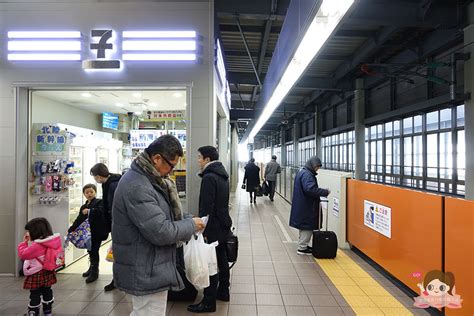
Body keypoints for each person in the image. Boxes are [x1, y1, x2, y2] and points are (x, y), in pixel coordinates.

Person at [112, 135, 205, 316]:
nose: (171, 172)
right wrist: (190, 225)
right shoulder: (138, 186)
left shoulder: (148, 180)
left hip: (149, 265)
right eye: (170, 165)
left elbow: (163, 215)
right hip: (145, 269)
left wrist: (188, 219)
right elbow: (161, 231)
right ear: (156, 159)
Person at [187, 146, 232, 313]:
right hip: (222, 223)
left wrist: (202, 228)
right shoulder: (223, 175)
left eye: (199, 157)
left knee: (210, 263)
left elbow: (206, 207)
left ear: (207, 159)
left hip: (212, 226)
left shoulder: (209, 177)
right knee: (221, 258)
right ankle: (223, 291)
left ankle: (208, 301)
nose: (197, 161)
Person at [18, 217, 62, 316]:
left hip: (36, 274)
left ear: (35, 231)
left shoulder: (37, 245)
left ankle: (33, 312)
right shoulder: (52, 241)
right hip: (48, 271)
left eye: (29, 231)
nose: (27, 233)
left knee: (35, 293)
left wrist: (24, 243)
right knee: (47, 291)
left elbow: (23, 255)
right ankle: (48, 311)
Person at [68, 184, 108, 284]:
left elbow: (101, 212)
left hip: (97, 232)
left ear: (95, 192)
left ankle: (95, 272)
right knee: (90, 251)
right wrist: (72, 229)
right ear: (84, 194)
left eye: (91, 192)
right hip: (87, 234)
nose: (89, 194)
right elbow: (79, 219)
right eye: (87, 192)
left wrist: (90, 211)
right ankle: (91, 269)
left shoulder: (100, 202)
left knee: (94, 250)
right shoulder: (84, 206)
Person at [289, 157, 330, 255]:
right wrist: (325, 192)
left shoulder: (303, 172)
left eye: (318, 167)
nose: (317, 169)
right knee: (307, 226)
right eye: (316, 167)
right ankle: (302, 248)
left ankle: (303, 245)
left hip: (303, 205)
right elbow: (310, 189)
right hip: (307, 206)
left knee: (304, 226)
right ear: (311, 165)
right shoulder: (307, 175)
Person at [90, 163, 121, 291]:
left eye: (94, 177)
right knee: (117, 251)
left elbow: (115, 205)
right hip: (114, 221)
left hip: (118, 222)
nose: (94, 179)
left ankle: (117, 280)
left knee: (118, 252)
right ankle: (117, 280)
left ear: (98, 176)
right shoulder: (109, 183)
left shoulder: (113, 184)